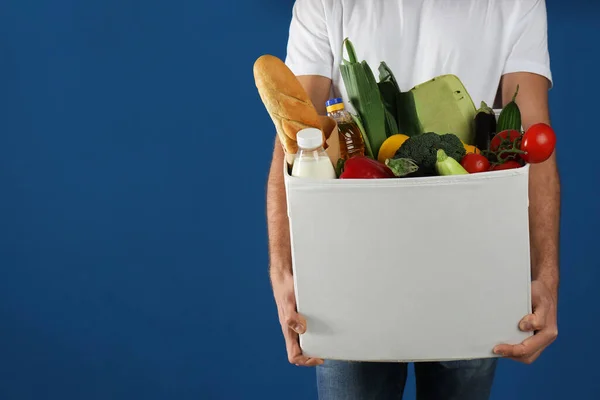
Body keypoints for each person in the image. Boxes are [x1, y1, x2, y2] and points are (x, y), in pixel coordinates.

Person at [266, 0, 560, 398]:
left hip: (469, 271)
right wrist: (282, 271)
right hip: (353, 275)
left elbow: (533, 140)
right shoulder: (324, 3)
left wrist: (545, 276)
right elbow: (294, 140)